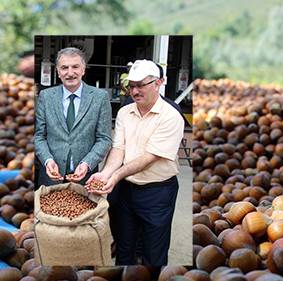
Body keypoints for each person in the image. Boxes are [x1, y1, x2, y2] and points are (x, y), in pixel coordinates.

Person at [86, 59, 185, 266]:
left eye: (141, 85)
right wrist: (106, 174)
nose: (135, 91)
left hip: (157, 193)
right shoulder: (124, 112)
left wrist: (115, 176)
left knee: (153, 253)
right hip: (126, 190)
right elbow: (118, 149)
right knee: (124, 247)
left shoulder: (171, 117)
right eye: (131, 86)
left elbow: (150, 157)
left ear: (157, 84)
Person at [34, 47, 112, 186]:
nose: (70, 73)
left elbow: (104, 139)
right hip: (51, 178)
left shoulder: (100, 98)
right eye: (64, 68)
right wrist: (48, 160)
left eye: (75, 67)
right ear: (58, 72)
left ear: (83, 69)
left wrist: (87, 163)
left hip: (85, 179)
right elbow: (39, 136)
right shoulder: (46, 97)